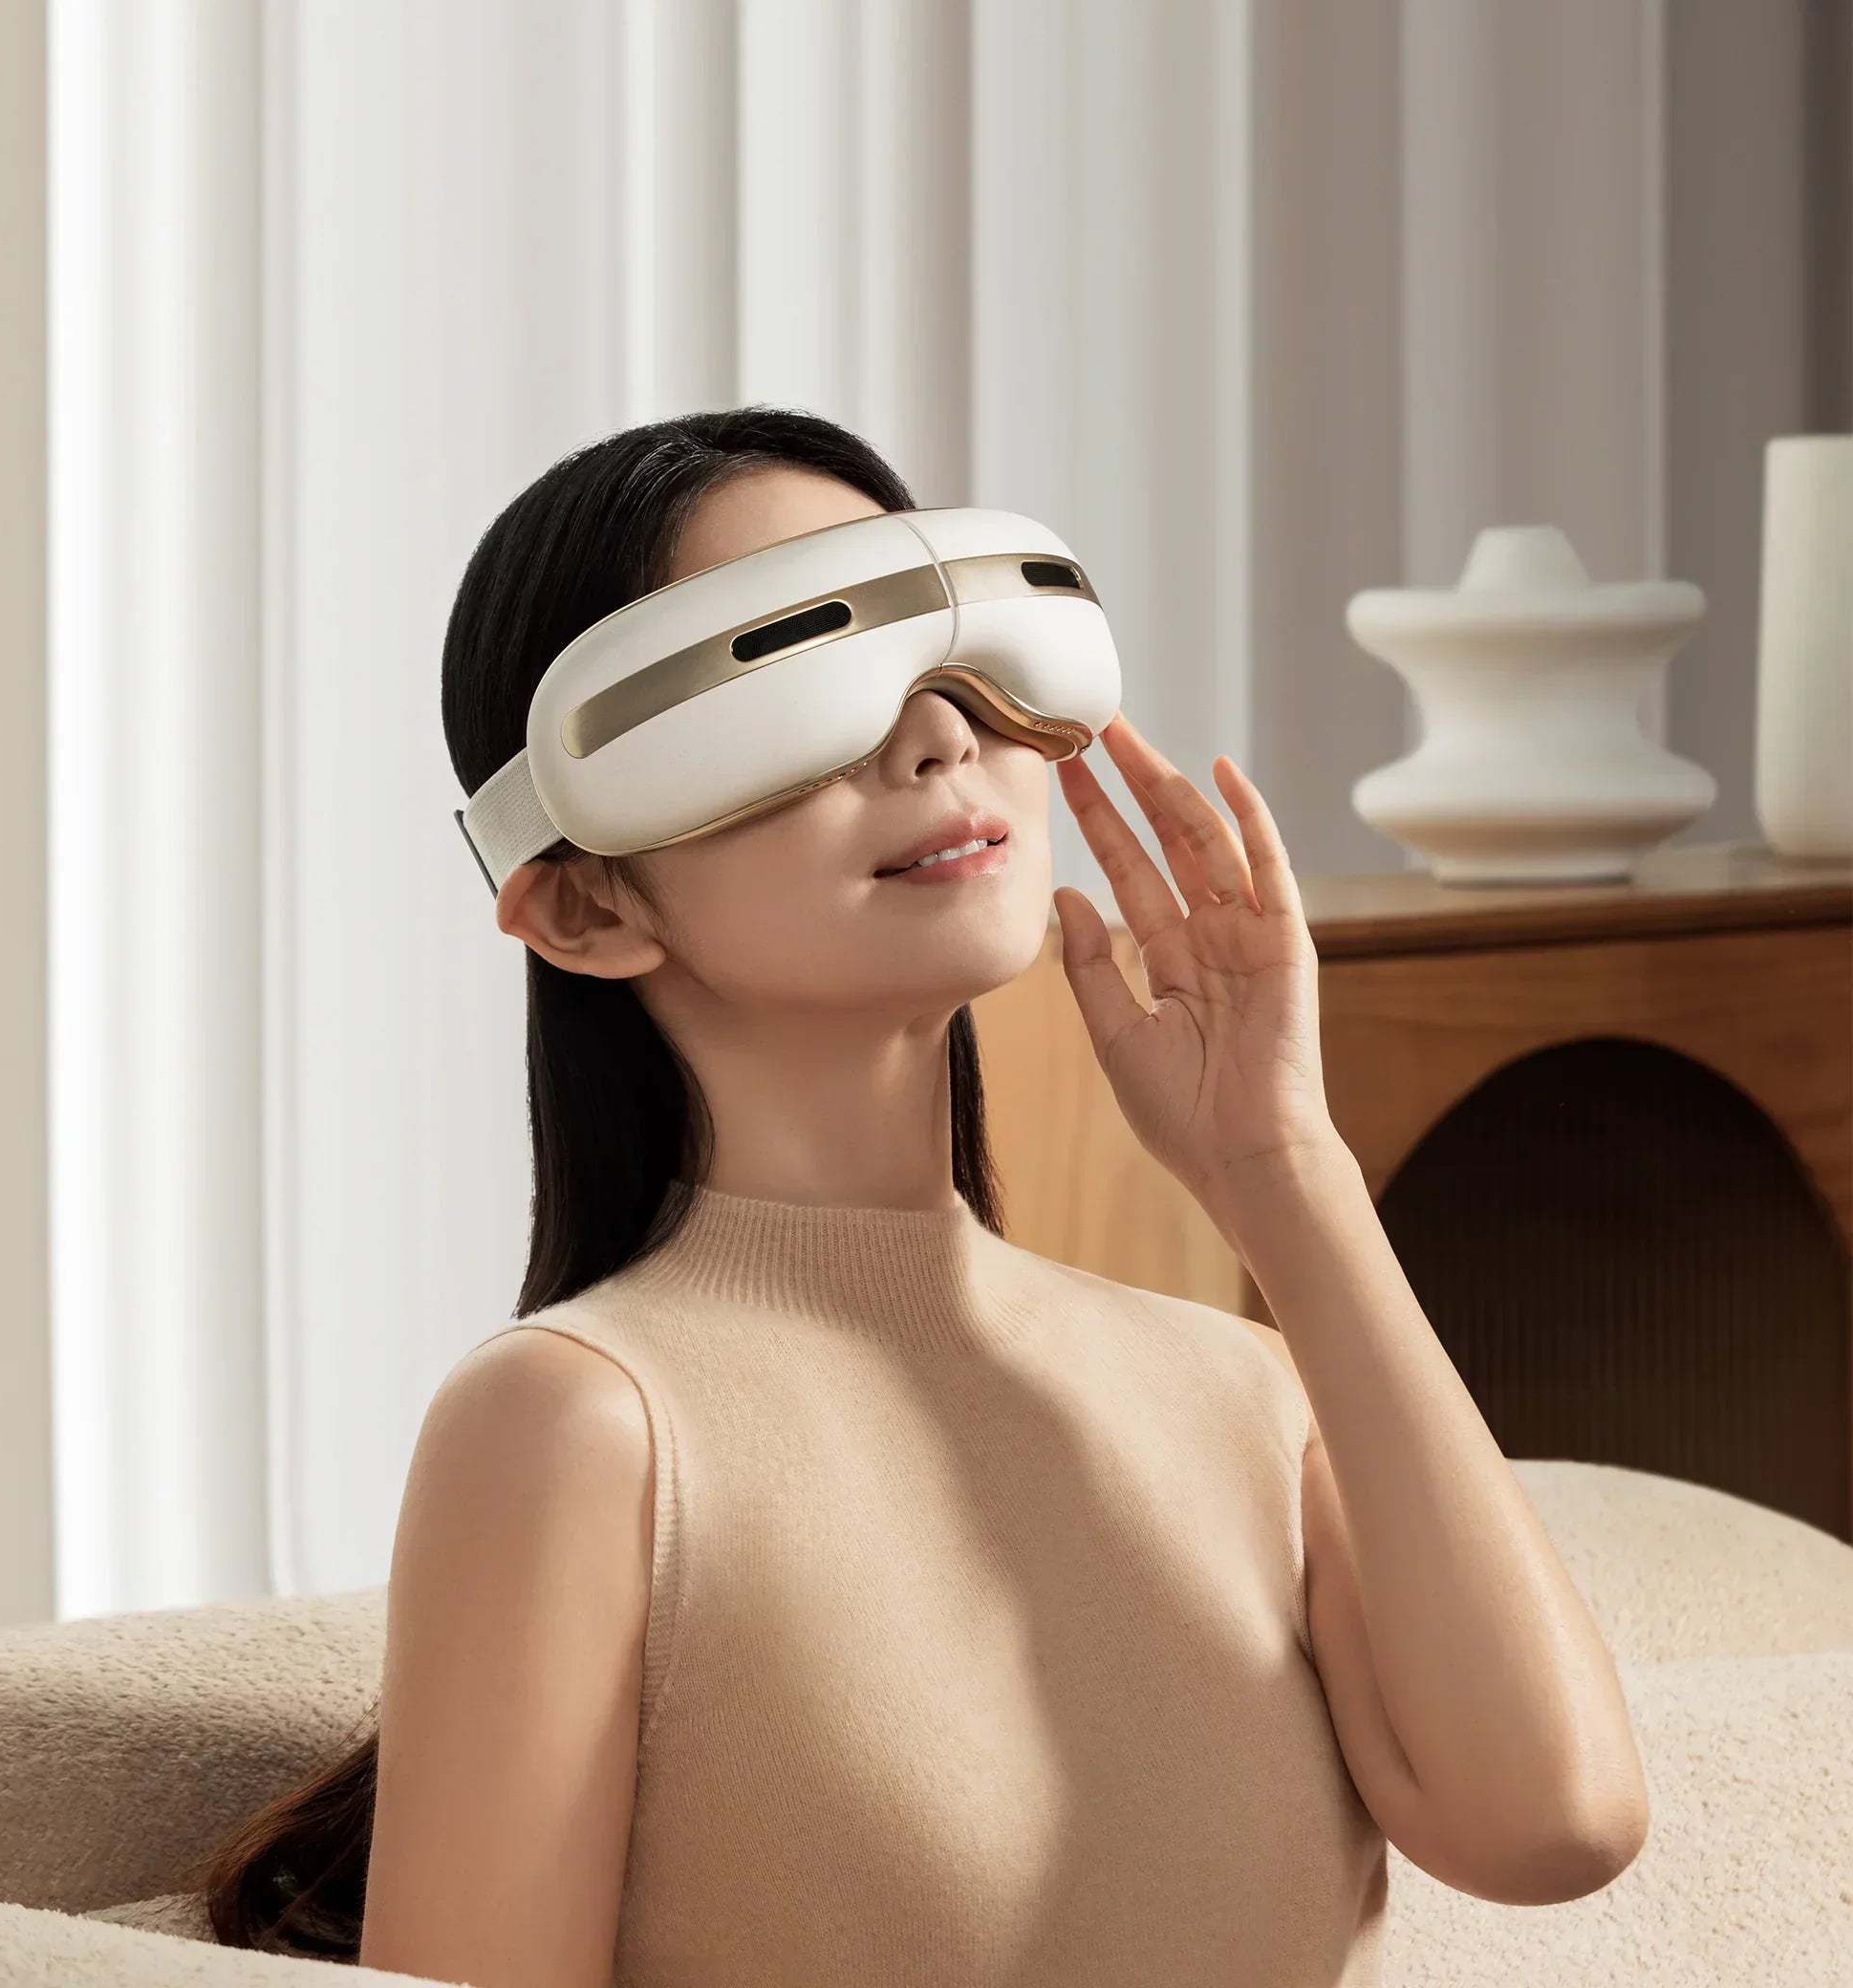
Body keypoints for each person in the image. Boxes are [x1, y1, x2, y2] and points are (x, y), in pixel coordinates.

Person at [203, 405, 1648, 1987]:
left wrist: (1290, 1182)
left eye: (955, 658)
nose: (940, 737)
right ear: (587, 906)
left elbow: (1557, 1825)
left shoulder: (1231, 1387)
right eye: (795, 682)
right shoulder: (578, 1429)